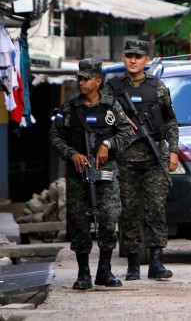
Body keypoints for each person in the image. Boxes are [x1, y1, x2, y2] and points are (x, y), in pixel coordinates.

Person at [49, 58, 132, 290]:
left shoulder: (111, 106)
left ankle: (104, 271)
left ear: (98, 81)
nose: (82, 83)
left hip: (105, 175)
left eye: (86, 79)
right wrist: (71, 153)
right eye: (80, 78)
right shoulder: (68, 108)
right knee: (79, 223)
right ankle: (83, 273)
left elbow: (127, 133)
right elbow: (54, 137)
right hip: (78, 176)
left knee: (108, 220)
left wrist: (108, 144)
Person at [103, 40, 179, 280]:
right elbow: (101, 118)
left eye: (138, 56)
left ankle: (156, 261)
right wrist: (120, 117)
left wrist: (174, 151)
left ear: (147, 60)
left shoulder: (158, 87)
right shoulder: (112, 88)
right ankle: (133, 264)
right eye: (128, 56)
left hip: (154, 157)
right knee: (129, 212)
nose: (133, 60)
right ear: (123, 58)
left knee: (156, 209)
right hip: (124, 159)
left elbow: (170, 121)